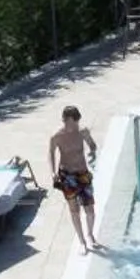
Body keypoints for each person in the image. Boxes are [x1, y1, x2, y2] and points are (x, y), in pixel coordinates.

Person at [48, 104, 101, 253]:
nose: (77, 124)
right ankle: (82, 241)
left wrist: (92, 152)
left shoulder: (82, 131)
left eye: (78, 121)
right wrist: (52, 172)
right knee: (74, 210)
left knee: (90, 210)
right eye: (74, 121)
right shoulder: (56, 136)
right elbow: (50, 153)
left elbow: (93, 145)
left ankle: (90, 235)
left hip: (83, 173)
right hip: (67, 176)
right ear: (67, 120)